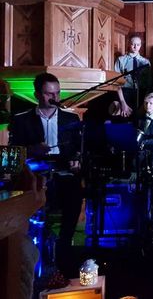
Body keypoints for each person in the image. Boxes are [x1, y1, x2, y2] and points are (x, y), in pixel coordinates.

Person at [9, 73, 82, 276]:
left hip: (64, 172)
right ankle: (34, 253)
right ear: (37, 95)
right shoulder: (21, 120)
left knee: (74, 194)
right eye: (49, 94)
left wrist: (77, 160)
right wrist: (32, 150)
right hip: (36, 173)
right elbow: (13, 153)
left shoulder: (71, 118)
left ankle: (63, 250)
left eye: (57, 93)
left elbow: (78, 150)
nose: (55, 98)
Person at [114, 35, 151, 117]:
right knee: (125, 117)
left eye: (138, 45)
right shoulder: (121, 60)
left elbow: (149, 83)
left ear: (140, 45)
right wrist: (123, 103)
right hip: (125, 92)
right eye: (133, 44)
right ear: (128, 44)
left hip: (141, 93)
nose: (135, 47)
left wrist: (144, 103)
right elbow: (117, 83)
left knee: (139, 119)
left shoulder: (145, 62)